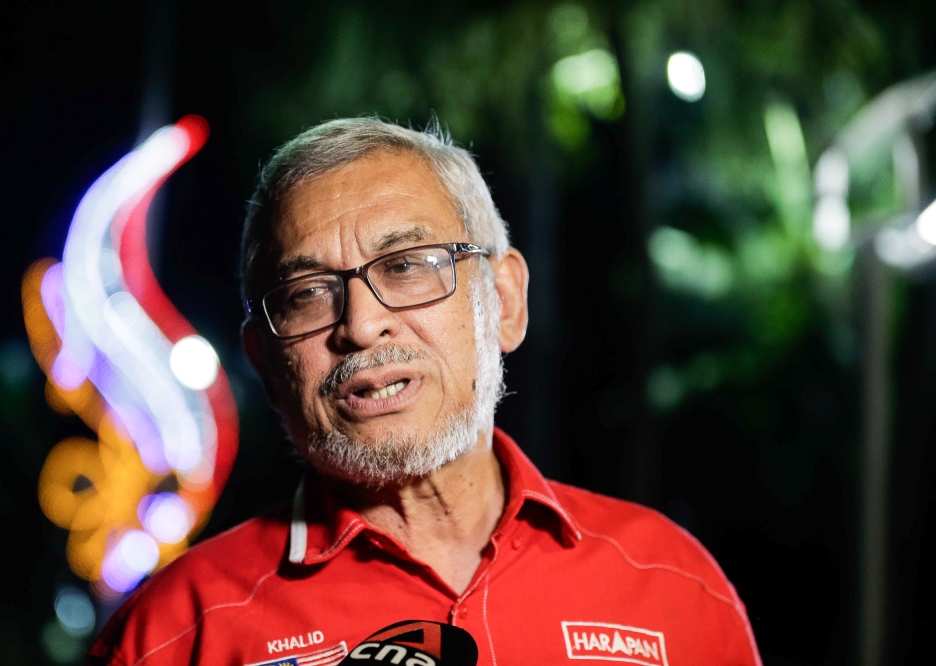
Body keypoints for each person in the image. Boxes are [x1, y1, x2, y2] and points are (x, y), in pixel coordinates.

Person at [88, 119, 761, 666]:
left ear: (503, 301)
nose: (360, 324)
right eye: (307, 294)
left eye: (406, 265)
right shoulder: (175, 635)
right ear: (264, 359)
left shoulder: (673, 587)